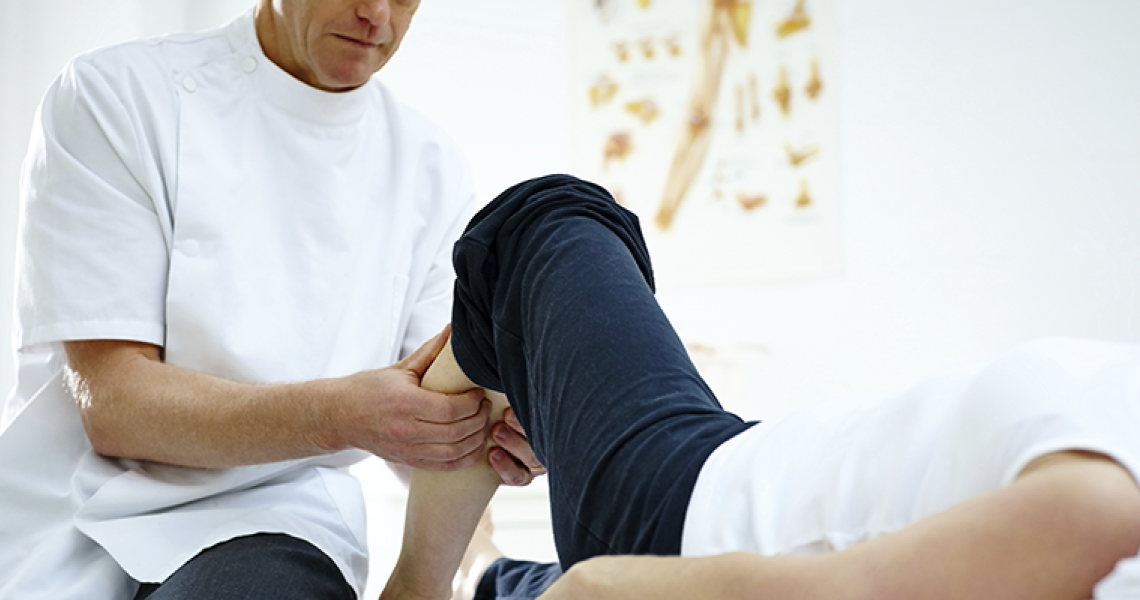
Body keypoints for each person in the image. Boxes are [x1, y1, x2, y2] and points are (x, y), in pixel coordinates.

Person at [0, 1, 544, 598]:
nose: (376, 14)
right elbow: (114, 403)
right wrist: (342, 415)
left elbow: (437, 419)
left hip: (273, 524)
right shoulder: (117, 96)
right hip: (70, 519)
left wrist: (485, 485)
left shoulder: (428, 166)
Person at [379, 174, 1140, 600]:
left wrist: (600, 584)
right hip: (725, 497)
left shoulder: (1103, 504)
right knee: (531, 580)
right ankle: (486, 577)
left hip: (687, 509)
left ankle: (418, 585)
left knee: (544, 225)